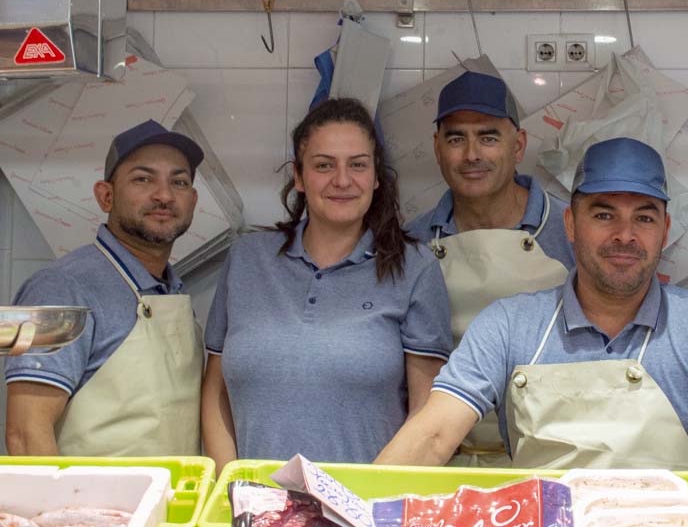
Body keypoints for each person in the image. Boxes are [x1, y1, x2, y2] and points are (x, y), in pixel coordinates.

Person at [378, 137, 688, 514]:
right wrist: (352, 508)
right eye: (604, 214)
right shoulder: (508, 324)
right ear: (570, 224)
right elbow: (433, 435)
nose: (625, 235)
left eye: (644, 217)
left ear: (665, 231)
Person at [201, 98, 452, 470]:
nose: (342, 180)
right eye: (323, 165)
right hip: (254, 509)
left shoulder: (413, 267)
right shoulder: (246, 259)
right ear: (299, 177)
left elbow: (426, 415)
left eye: (358, 165)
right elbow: (215, 392)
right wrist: (232, 489)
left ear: (376, 177)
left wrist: (370, 502)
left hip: (364, 510)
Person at [405, 70, 575, 466]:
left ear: (519, 145)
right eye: (455, 138)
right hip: (440, 462)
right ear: (436, 148)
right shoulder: (410, 244)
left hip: (553, 462)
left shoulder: (571, 232)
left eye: (488, 136)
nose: (471, 155)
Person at [5, 119, 205, 456]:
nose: (164, 195)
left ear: (193, 200)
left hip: (173, 504)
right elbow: (23, 436)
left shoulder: (172, 289)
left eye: (179, 182)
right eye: (143, 179)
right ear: (106, 196)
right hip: (89, 505)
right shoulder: (52, 289)